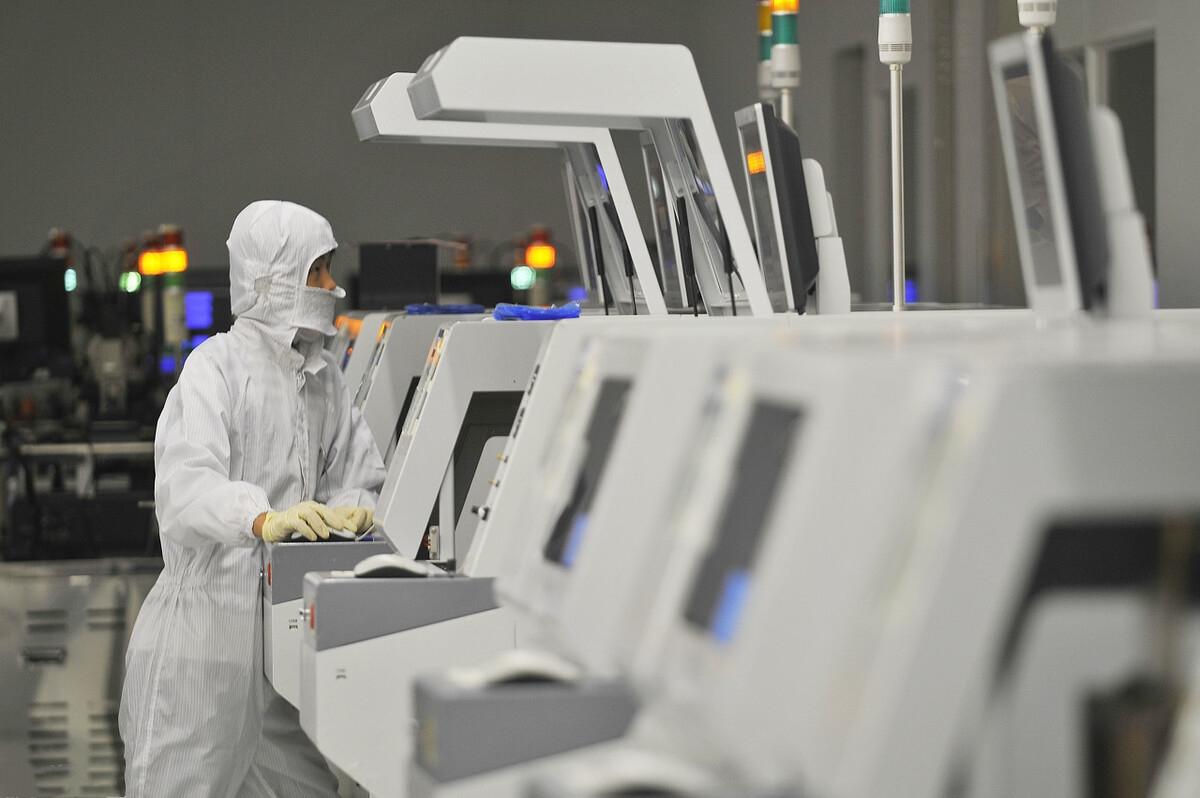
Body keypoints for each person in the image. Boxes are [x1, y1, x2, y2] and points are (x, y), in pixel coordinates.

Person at [119, 200, 387, 797]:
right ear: (276, 277)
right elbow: (185, 489)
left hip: (278, 650)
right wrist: (261, 518)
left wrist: (353, 510)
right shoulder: (214, 368)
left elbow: (356, 471)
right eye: (318, 270)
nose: (333, 287)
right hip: (205, 647)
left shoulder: (324, 378)